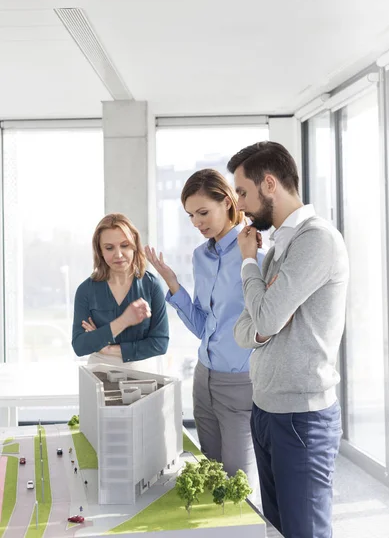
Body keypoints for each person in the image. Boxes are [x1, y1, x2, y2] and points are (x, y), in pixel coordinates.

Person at [227, 141, 349, 538]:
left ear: (268, 183)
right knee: (278, 531)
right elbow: (248, 327)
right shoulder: (281, 244)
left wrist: (248, 262)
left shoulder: (316, 241)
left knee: (305, 532)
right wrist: (264, 315)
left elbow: (263, 316)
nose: (239, 205)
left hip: (301, 416)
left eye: (243, 192)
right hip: (267, 409)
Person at [145, 169, 265, 488]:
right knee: (211, 479)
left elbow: (271, 322)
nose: (197, 223)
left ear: (227, 203)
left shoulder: (254, 253)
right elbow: (204, 326)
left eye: (203, 212)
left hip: (242, 383)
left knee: (238, 484)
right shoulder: (200, 256)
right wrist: (173, 285)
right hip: (204, 380)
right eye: (190, 216)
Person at [72, 213, 169, 371]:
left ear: (134, 246)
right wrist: (123, 321)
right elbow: (80, 345)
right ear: (100, 250)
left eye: (124, 245)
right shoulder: (86, 290)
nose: (118, 254)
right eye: (109, 248)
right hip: (99, 373)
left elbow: (160, 344)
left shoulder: (151, 286)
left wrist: (107, 348)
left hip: (143, 374)